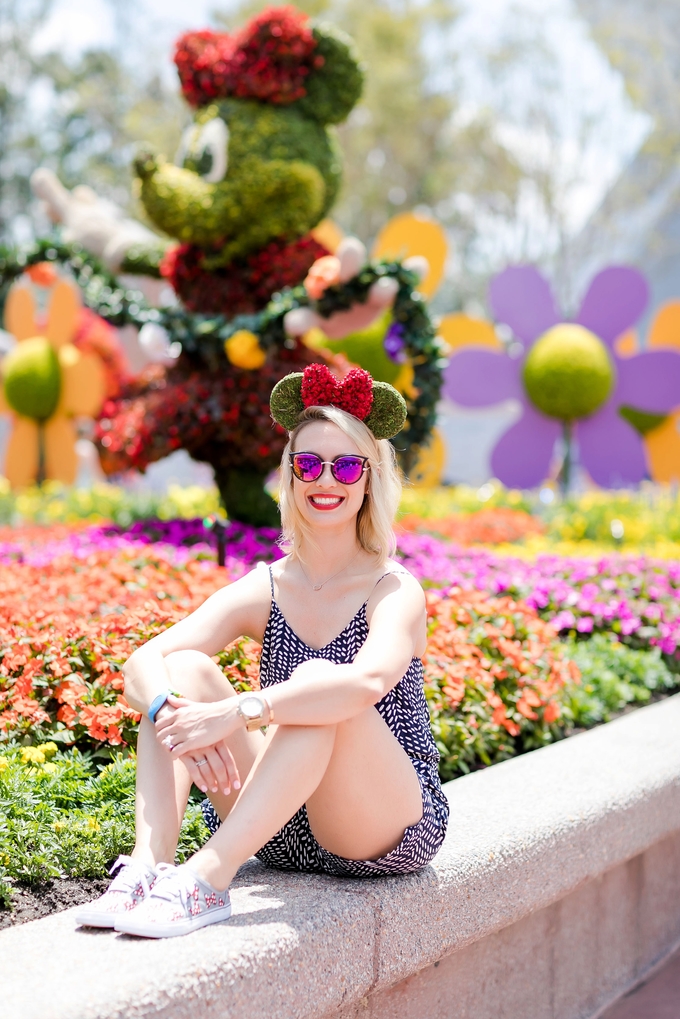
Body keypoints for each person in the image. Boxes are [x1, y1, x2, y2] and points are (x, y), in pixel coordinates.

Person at [75, 364, 449, 938]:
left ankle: (207, 879)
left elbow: (367, 681)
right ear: (291, 476)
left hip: (379, 826)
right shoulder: (267, 586)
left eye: (346, 465)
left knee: (322, 684)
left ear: (369, 479)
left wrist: (238, 711)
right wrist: (173, 716)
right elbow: (142, 662)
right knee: (183, 670)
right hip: (277, 825)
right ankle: (149, 868)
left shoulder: (393, 588)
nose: (327, 480)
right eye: (309, 464)